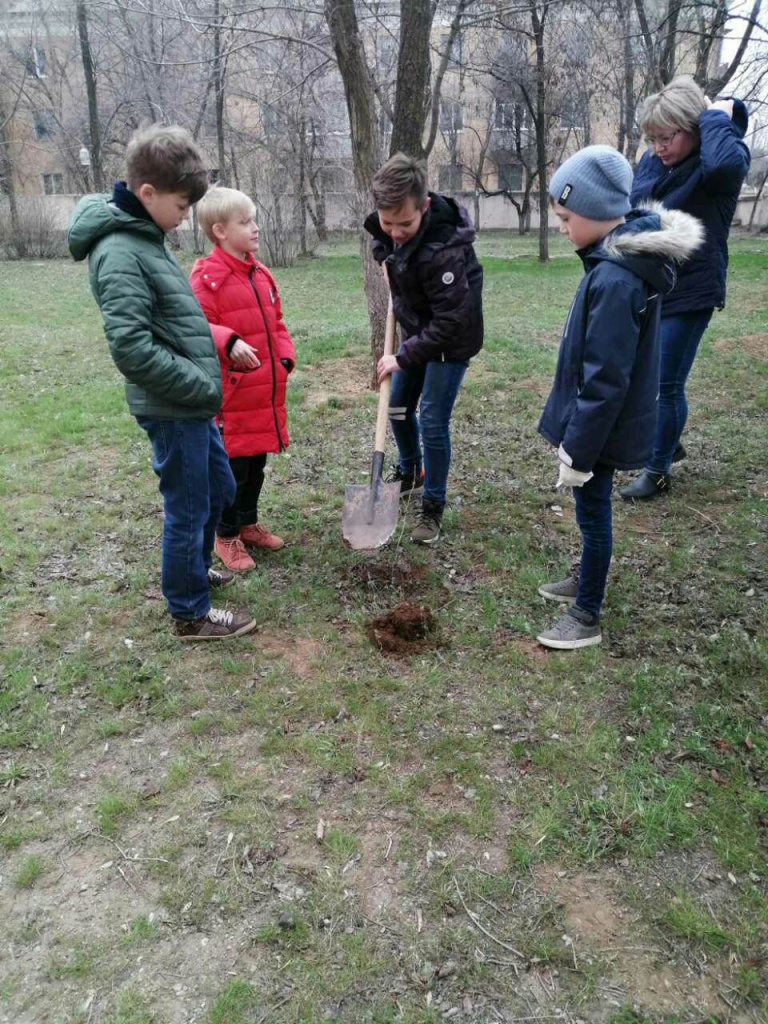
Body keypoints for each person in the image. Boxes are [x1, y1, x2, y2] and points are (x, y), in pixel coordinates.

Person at [68, 125, 256, 641]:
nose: (184, 218)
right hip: (174, 405)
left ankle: (193, 573)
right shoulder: (120, 251)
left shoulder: (144, 238)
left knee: (217, 489)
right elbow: (130, 347)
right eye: (180, 206)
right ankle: (190, 612)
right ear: (147, 193)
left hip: (190, 402)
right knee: (189, 505)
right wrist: (197, 384)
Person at [536, 145, 703, 649]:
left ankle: (587, 613)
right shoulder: (613, 263)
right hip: (602, 424)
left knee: (593, 511)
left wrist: (579, 452)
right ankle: (584, 576)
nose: (563, 228)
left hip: (601, 430)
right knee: (590, 513)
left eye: (566, 217)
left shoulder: (615, 278)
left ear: (597, 211)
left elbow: (605, 379)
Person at [620, 76, 750, 500]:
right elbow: (639, 201)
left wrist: (714, 115)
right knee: (652, 378)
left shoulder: (717, 167)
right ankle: (668, 442)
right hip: (658, 286)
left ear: (694, 126)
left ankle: (657, 470)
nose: (658, 147)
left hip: (694, 289)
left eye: (666, 137)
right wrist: (663, 147)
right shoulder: (664, 163)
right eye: (652, 138)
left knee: (666, 384)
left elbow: (726, 165)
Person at [364, 152, 484, 545]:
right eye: (388, 223)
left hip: (451, 340)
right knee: (398, 408)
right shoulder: (392, 230)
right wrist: (386, 252)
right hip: (417, 332)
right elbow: (386, 245)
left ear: (425, 207)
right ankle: (412, 472)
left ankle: (432, 505)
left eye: (405, 224)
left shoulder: (444, 251)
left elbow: (450, 322)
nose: (395, 231)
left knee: (431, 419)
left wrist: (401, 356)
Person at [190, 186, 295, 572]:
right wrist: (227, 340)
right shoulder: (207, 279)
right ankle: (226, 534)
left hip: (264, 394)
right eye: (245, 221)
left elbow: (277, 324)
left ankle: (248, 523)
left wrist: (284, 357)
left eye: (254, 219)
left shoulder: (261, 273)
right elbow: (195, 326)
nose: (255, 228)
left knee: (256, 466)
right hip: (232, 398)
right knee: (231, 473)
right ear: (220, 230)